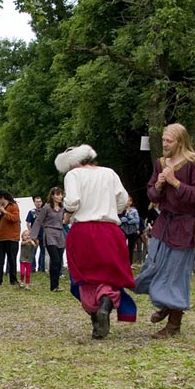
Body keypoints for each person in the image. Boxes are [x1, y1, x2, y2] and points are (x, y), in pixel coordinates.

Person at [134, 123, 195, 339]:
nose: (164, 144)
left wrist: (175, 182)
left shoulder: (194, 163)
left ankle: (174, 323)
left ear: (180, 142)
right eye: (163, 140)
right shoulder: (161, 163)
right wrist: (158, 185)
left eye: (169, 141)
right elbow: (152, 194)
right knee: (153, 266)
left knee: (176, 273)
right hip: (163, 224)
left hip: (184, 226)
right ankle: (166, 304)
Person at [56, 145, 136, 340]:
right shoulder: (109, 173)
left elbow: (73, 201)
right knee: (110, 275)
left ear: (73, 162)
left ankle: (95, 319)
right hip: (110, 230)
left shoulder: (73, 176)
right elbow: (123, 200)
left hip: (83, 231)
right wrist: (108, 208)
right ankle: (105, 306)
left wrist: (68, 210)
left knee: (85, 277)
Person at [30, 187, 67, 291]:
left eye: (61, 194)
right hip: (49, 233)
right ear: (52, 196)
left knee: (59, 260)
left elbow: (67, 219)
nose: (60, 196)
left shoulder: (62, 208)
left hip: (60, 233)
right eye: (57, 194)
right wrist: (33, 236)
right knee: (54, 259)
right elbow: (38, 221)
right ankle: (53, 285)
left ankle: (57, 284)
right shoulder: (46, 208)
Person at [0, 190, 21, 286]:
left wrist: (5, 212)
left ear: (3, 198)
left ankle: (13, 280)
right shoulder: (0, 208)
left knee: (12, 260)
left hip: (12, 238)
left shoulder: (14, 206)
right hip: (1, 238)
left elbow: (15, 219)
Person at [25, 196, 46, 272]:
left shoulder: (44, 211)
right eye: (37, 202)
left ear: (42, 202)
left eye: (39, 201)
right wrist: (31, 232)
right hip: (35, 235)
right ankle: (32, 268)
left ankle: (42, 268)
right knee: (33, 252)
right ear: (34, 203)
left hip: (43, 234)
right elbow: (28, 223)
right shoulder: (31, 212)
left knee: (43, 252)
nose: (38, 203)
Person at [119, 196, 141, 265]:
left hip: (132, 231)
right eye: (126, 200)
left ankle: (129, 263)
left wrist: (128, 220)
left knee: (131, 247)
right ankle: (121, 261)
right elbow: (120, 220)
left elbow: (137, 220)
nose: (127, 202)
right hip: (123, 230)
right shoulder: (121, 210)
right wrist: (128, 219)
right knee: (121, 246)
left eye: (129, 201)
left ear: (131, 202)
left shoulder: (134, 211)